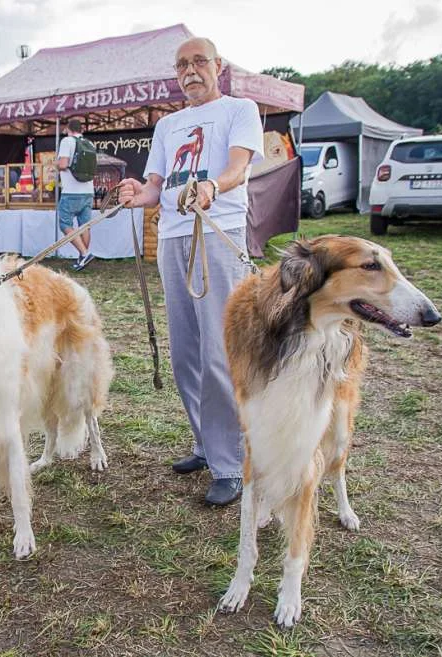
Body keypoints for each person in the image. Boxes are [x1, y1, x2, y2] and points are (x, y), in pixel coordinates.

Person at [118, 36, 264, 507]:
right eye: (182, 65)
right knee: (185, 353)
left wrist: (210, 187)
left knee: (219, 352)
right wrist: (136, 192)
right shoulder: (167, 125)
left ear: (218, 66)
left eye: (199, 61)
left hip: (216, 233)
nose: (190, 71)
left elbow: (238, 169)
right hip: (173, 238)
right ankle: (206, 443)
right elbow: (156, 185)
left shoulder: (240, 110)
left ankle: (229, 464)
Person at [57, 118, 96, 271]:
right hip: (88, 190)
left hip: (71, 191)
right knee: (84, 226)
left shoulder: (67, 141)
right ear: (82, 130)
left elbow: (63, 164)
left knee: (65, 224)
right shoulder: (90, 143)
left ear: (68, 129)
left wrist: (56, 163)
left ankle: (84, 253)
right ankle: (82, 258)